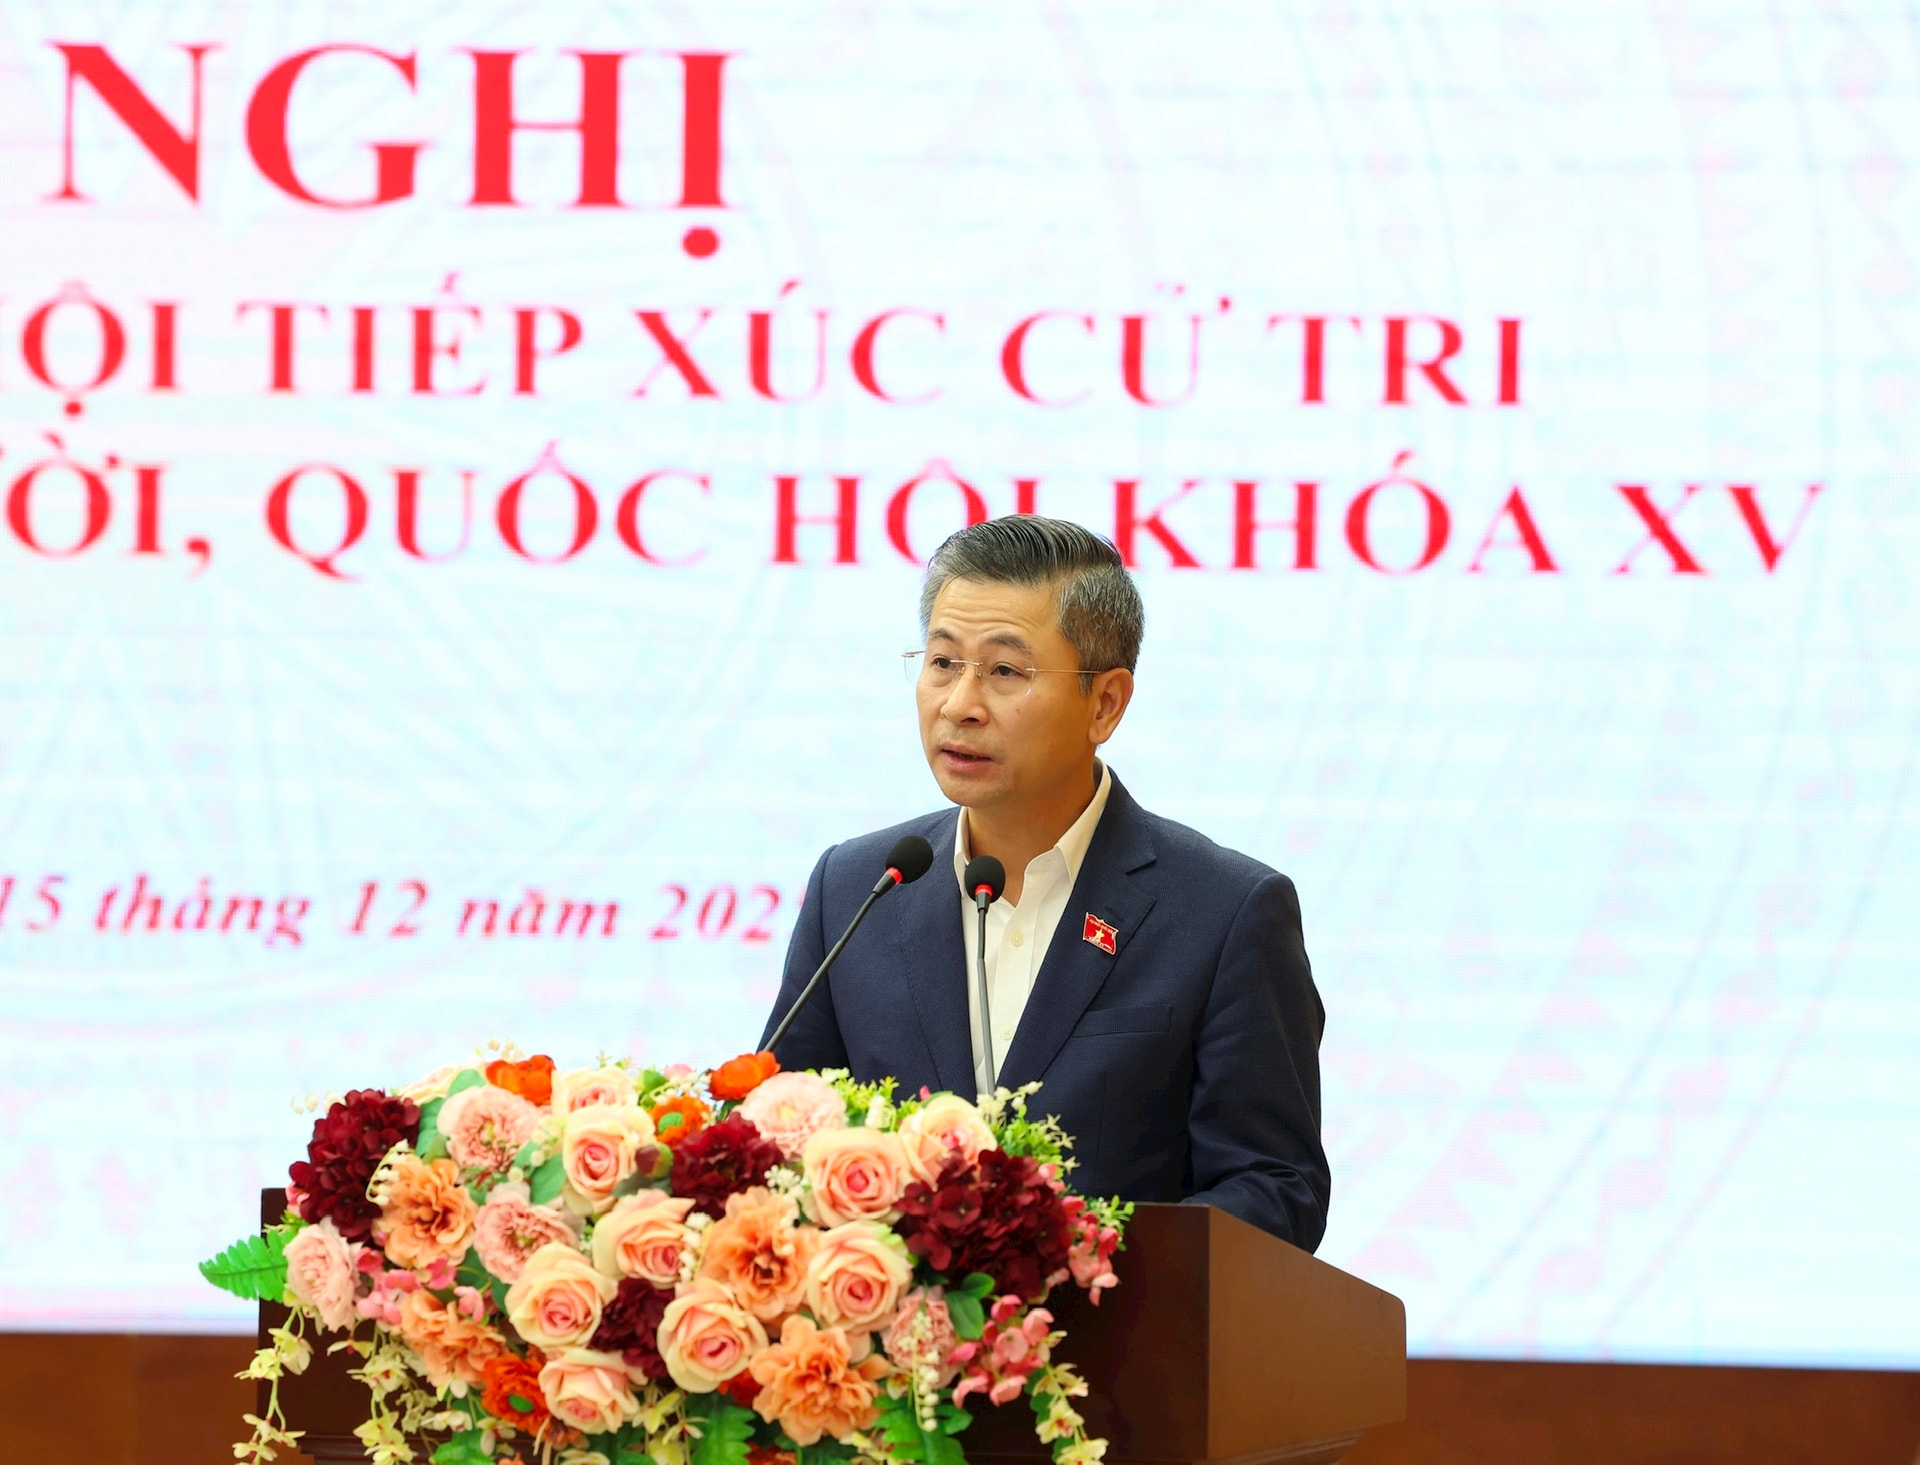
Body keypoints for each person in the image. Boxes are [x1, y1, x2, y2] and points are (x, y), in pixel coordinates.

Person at [759, 516, 1329, 1249]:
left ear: (1105, 703)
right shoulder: (858, 887)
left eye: (1005, 671)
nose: (959, 704)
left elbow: (1274, 1187)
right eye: (942, 662)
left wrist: (1077, 1261)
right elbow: (776, 1140)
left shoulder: (1223, 912)